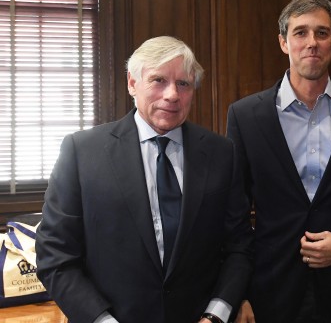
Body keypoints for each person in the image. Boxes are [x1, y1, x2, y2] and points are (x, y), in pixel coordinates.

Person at [36, 36, 254, 323]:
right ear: (132, 83)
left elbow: (240, 246)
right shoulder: (82, 152)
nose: (172, 95)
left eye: (184, 84)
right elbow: (56, 256)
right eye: (158, 80)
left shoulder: (221, 153)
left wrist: (217, 313)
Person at [226, 0, 331, 323]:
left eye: (322, 33)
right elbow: (233, 211)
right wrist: (238, 293)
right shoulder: (246, 115)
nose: (311, 43)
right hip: (269, 293)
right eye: (300, 33)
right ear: (283, 42)